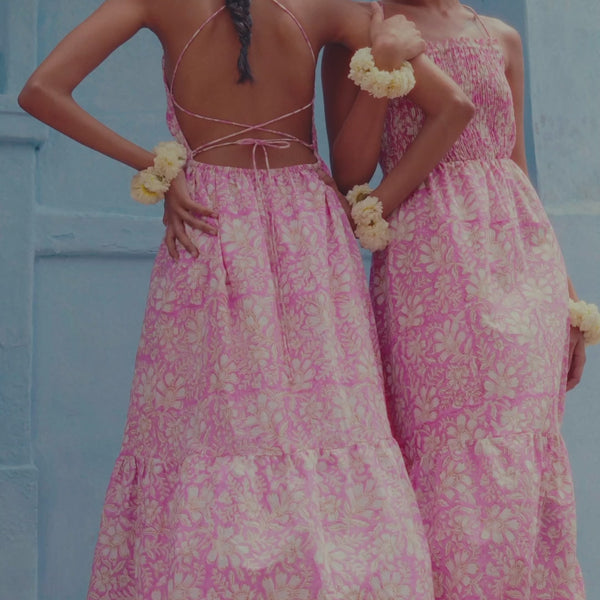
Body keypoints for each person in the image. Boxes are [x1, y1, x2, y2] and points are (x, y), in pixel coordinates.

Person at [18, 0, 475, 597]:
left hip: (209, 226)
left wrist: (159, 168)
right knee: (332, 424)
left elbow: (40, 91)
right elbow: (453, 106)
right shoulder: (330, 6)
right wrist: (375, 203)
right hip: (309, 233)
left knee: (202, 434)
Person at [323, 1, 587, 599]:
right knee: (446, 451)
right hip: (428, 266)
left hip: (523, 265)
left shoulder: (502, 37)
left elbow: (517, 168)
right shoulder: (359, 34)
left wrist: (570, 304)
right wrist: (384, 65)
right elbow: (350, 173)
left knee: (524, 448)